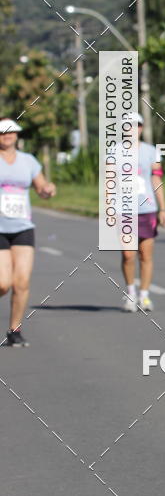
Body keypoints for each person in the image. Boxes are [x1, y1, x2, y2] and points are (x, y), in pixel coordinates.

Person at [0, 118, 56, 347]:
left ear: (17, 135)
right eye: (3, 133)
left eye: (11, 132)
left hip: (23, 227)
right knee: (3, 283)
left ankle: (14, 329)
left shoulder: (28, 161)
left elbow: (40, 186)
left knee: (21, 282)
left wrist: (47, 190)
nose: (7, 136)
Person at [121, 113, 165, 313]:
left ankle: (145, 295)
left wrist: (163, 208)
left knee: (145, 255)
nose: (133, 129)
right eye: (129, 125)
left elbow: (156, 180)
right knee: (128, 255)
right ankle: (131, 293)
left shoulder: (151, 152)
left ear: (141, 128)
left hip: (147, 209)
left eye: (137, 125)